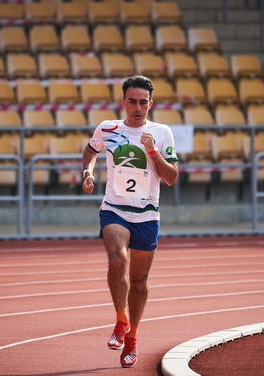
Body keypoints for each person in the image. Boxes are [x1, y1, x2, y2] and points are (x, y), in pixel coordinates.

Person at [81, 75, 179, 368]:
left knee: (138, 282)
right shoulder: (107, 128)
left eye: (143, 102)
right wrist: (87, 171)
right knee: (117, 259)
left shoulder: (161, 133)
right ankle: (120, 321)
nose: (138, 107)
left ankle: (133, 338)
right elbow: (90, 150)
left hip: (147, 214)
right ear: (123, 102)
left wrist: (152, 152)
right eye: (132, 101)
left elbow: (172, 177)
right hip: (114, 209)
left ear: (151, 104)